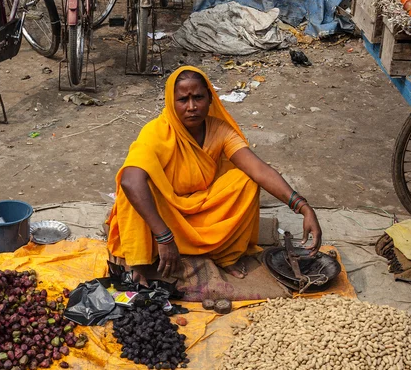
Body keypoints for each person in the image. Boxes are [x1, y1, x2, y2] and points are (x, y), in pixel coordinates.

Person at [106, 66, 322, 282]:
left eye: (198, 97)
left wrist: (303, 208)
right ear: (171, 102)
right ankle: (141, 265)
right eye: (183, 100)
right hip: (165, 216)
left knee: (246, 180)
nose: (192, 107)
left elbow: (259, 170)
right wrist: (163, 236)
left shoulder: (220, 131)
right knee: (135, 190)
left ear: (210, 99)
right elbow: (129, 181)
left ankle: (224, 254)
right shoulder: (156, 132)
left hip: (201, 209)